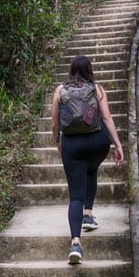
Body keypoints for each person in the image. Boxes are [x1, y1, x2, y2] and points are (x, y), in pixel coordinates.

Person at [51, 55, 124, 265]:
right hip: (97, 142)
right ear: (89, 70)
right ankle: (89, 215)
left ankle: (75, 243)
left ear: (71, 71)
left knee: (76, 196)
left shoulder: (60, 90)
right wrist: (117, 144)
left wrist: (59, 144)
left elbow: (55, 123)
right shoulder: (97, 89)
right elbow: (107, 118)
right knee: (91, 170)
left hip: (72, 145)